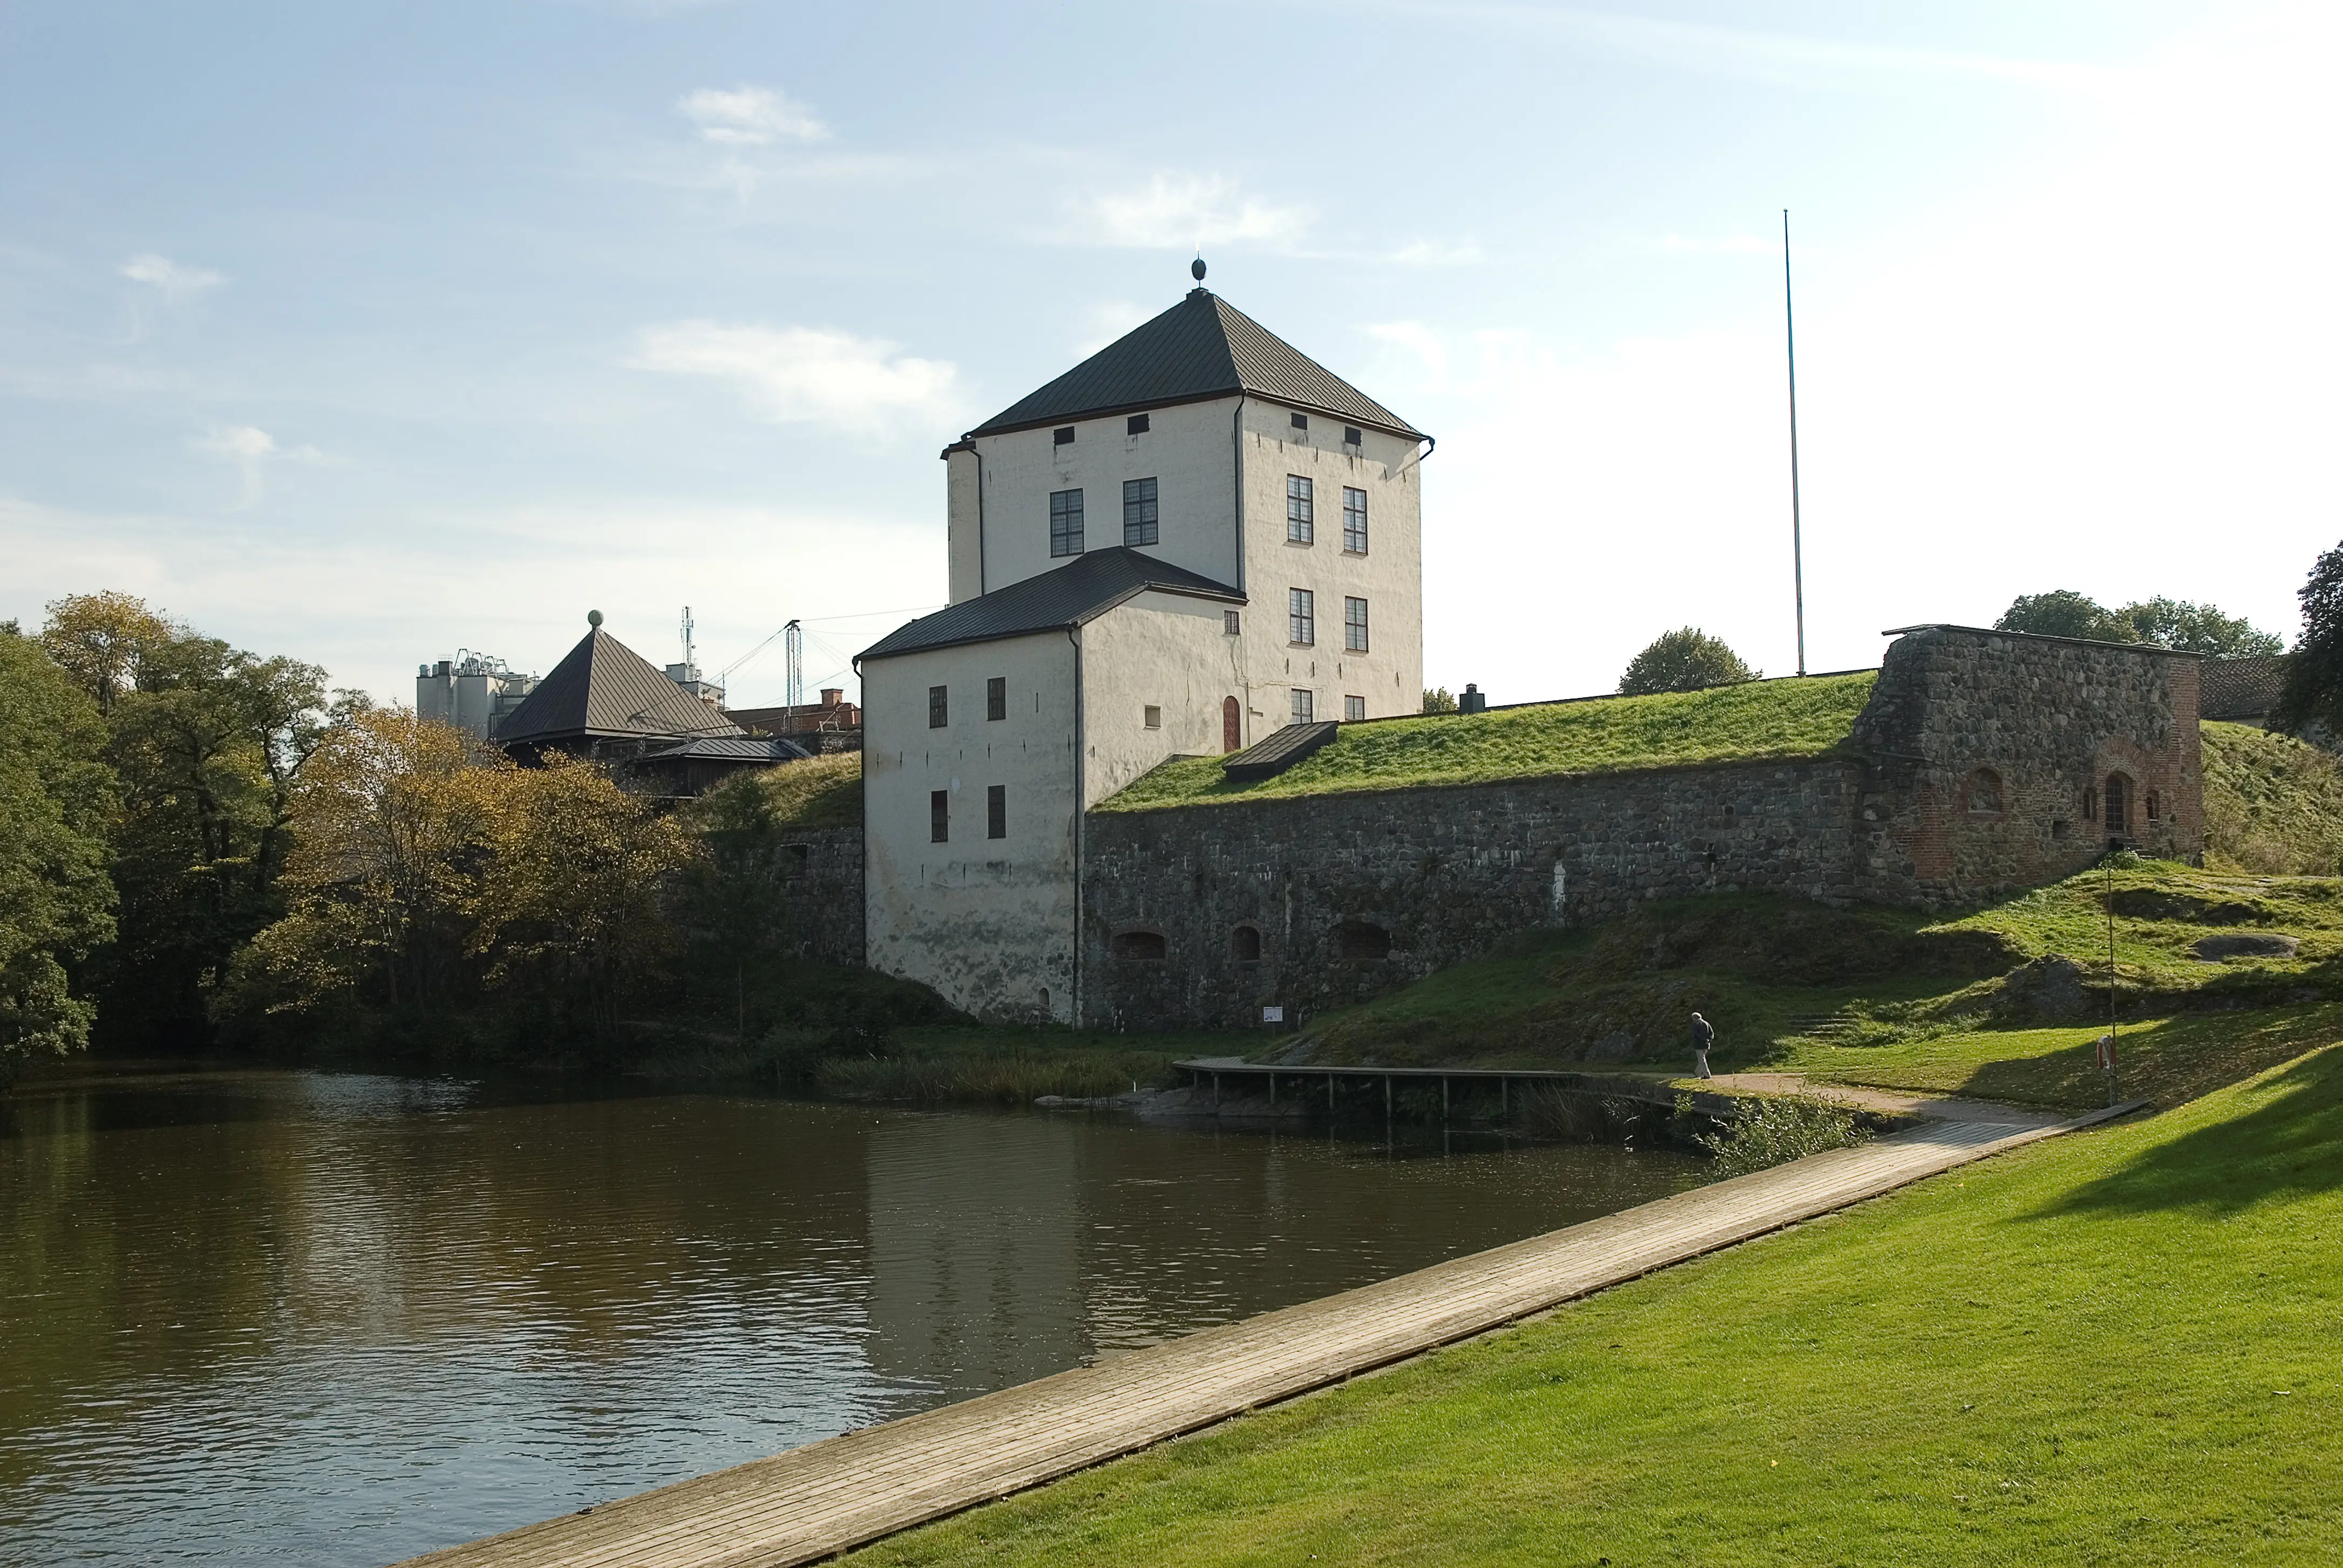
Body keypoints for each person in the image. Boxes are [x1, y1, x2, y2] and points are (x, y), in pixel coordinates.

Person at [1690, 1011, 1715, 1080]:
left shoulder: (1695, 1023)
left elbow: (1695, 1034)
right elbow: (1712, 1033)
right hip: (1707, 1044)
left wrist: (1702, 1039)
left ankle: (1707, 1075)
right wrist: (1709, 1040)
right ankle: (1697, 1073)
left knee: (1702, 1059)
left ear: (1694, 1018)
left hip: (1699, 1044)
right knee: (1702, 1059)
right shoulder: (1706, 1023)